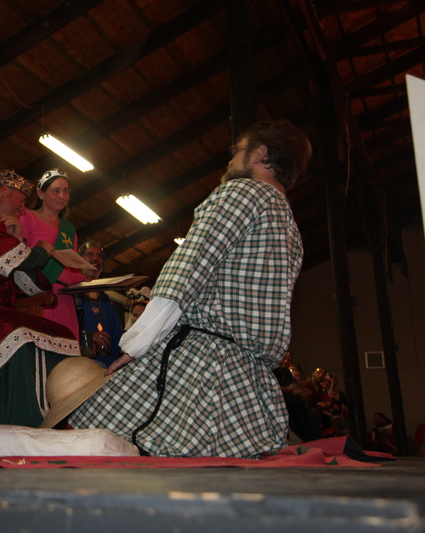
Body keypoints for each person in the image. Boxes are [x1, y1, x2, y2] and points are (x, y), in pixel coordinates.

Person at [68, 119, 312, 458]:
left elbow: (186, 272)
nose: (230, 160)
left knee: (116, 446)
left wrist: (137, 344)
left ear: (260, 153)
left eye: (236, 151)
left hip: (203, 367)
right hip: (248, 381)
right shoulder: (290, 227)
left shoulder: (242, 194)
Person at [0, 169, 80, 427]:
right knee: (18, 330)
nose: (23, 208)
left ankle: (53, 419)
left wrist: (17, 238)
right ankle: (17, 421)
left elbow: (29, 286)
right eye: (21, 200)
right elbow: (12, 258)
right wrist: (40, 251)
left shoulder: (1, 229)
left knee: (61, 332)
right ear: (4, 191)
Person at [19, 168, 86, 339]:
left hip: (64, 299)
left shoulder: (69, 230)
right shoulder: (27, 216)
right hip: (37, 295)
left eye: (66, 191)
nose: (62, 196)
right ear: (40, 193)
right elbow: (20, 255)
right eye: (56, 190)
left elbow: (73, 267)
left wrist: (85, 279)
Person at [74, 241, 124, 367]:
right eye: (89, 254)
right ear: (79, 260)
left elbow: (118, 334)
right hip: (78, 362)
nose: (95, 258)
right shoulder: (71, 292)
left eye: (99, 255)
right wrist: (87, 337)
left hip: (106, 363)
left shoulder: (105, 299)